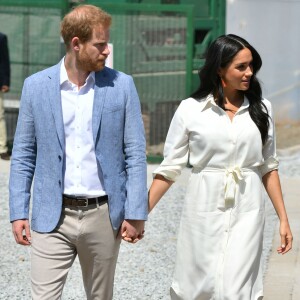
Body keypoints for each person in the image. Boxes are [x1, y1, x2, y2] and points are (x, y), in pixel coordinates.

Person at [9, 5, 147, 300]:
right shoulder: (36, 87)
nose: (107, 50)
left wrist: (136, 212)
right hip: (51, 216)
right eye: (100, 44)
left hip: (103, 215)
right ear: (76, 43)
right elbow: (23, 154)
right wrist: (18, 211)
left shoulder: (122, 86)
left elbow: (135, 154)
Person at [148, 34, 293, 300]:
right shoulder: (190, 109)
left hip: (247, 207)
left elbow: (269, 167)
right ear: (219, 68)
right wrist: (140, 213)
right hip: (203, 205)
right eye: (241, 67)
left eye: (251, 66)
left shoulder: (262, 109)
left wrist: (283, 219)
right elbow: (169, 168)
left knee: (237, 288)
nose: (249, 72)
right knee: (198, 284)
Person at [0, 32, 11, 160]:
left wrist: (5, 82)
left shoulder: (1, 38)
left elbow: (4, 60)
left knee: (0, 116)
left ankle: (2, 148)